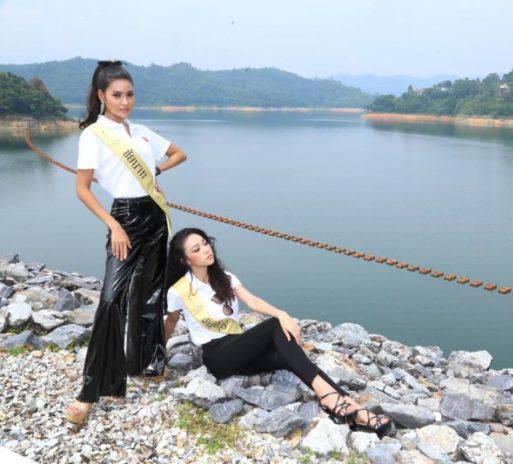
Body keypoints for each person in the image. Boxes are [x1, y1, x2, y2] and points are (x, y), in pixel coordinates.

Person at [163, 228, 395, 438]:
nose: (206, 250)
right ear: (185, 260)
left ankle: (355, 412)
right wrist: (156, 355)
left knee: (291, 356)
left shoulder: (225, 278)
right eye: (196, 249)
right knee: (276, 325)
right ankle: (331, 400)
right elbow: (170, 322)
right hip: (218, 357)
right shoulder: (179, 291)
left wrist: (280, 314)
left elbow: (252, 301)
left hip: (239, 348)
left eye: (205, 243)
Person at [65, 60, 188, 425]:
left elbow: (180, 154)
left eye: (130, 94)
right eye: (117, 95)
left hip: (155, 217)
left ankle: (148, 364)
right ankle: (91, 390)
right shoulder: (94, 135)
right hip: (125, 219)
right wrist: (114, 226)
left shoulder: (143, 132)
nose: (125, 102)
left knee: (150, 294)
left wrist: (154, 171)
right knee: (110, 300)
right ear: (102, 96)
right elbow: (82, 189)